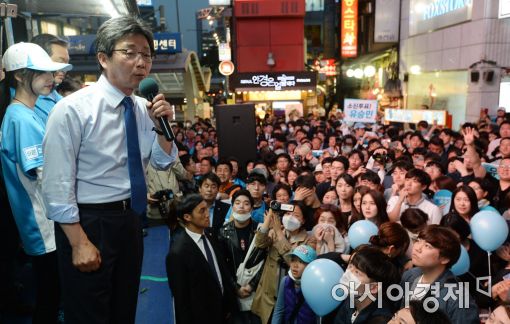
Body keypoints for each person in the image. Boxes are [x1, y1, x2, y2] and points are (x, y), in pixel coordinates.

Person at [41, 16, 177, 324]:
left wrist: (162, 128)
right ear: (103, 58)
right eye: (130, 52)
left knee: (123, 308)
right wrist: (78, 242)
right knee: (89, 313)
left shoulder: (144, 108)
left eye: (146, 54)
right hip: (89, 222)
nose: (141, 62)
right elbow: (55, 185)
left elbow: (162, 162)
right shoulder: (73, 109)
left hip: (130, 221)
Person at [0, 42, 72, 324]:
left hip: (45, 222)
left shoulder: (23, 115)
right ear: (20, 76)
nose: (50, 78)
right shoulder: (21, 118)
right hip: (43, 224)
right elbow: (45, 176)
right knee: (50, 297)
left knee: (51, 295)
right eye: (42, 73)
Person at [166, 194, 238, 324]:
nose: (207, 214)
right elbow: (181, 299)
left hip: (223, 312)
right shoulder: (178, 253)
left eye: (206, 209)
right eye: (202, 211)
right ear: (187, 217)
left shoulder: (210, 234)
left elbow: (221, 271)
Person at [400, 225, 479, 323]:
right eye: (418, 240)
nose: (417, 248)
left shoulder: (458, 299)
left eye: (427, 246)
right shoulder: (410, 276)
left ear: (445, 258)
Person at [251, 203, 313, 324]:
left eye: (296, 215)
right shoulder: (273, 232)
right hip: (267, 294)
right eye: (288, 214)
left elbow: (292, 262)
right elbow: (259, 243)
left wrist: (279, 232)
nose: (290, 218)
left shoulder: (309, 239)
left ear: (303, 220)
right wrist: (268, 219)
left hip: (290, 297)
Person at [218, 190, 264, 324]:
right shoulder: (223, 232)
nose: (242, 207)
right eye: (237, 203)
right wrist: (235, 287)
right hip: (234, 292)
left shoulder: (261, 231)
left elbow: (266, 262)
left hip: (258, 290)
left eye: (246, 203)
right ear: (232, 207)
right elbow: (222, 265)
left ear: (252, 207)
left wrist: (251, 285)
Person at [332, 246, 400, 324]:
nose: (348, 273)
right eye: (350, 266)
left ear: (374, 287)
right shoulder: (351, 299)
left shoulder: (381, 320)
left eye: (357, 272)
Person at [30, 33, 70, 125]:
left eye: (67, 63)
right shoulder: (25, 103)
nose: (65, 68)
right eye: (60, 62)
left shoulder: (55, 96)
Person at [272, 245, 318, 324]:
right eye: (293, 260)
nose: (295, 265)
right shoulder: (285, 281)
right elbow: (279, 310)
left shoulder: (316, 287)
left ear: (311, 265)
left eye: (301, 261)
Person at [198, 172, 230, 237]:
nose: (209, 190)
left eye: (213, 187)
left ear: (218, 190)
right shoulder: (193, 208)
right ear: (200, 189)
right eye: (206, 186)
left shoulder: (226, 209)